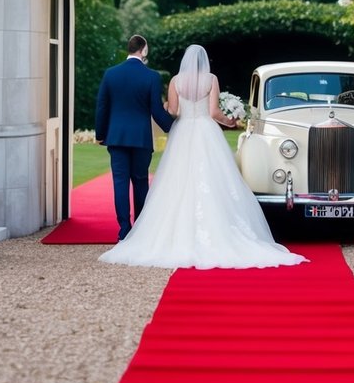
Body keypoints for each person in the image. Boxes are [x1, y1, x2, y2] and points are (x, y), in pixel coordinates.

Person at [99, 44, 307, 269]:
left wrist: (170, 114)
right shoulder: (211, 79)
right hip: (207, 132)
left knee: (175, 180)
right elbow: (214, 112)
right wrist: (230, 121)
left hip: (183, 131)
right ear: (204, 61)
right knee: (214, 178)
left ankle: (139, 230)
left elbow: (173, 111)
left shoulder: (177, 81)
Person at [95, 35, 176, 241]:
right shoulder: (151, 76)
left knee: (120, 182)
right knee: (140, 181)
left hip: (117, 138)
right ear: (144, 50)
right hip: (140, 138)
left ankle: (124, 229)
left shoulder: (110, 74)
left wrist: (101, 134)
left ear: (129, 49)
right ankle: (140, 228)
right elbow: (156, 110)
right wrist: (173, 127)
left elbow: (102, 107)